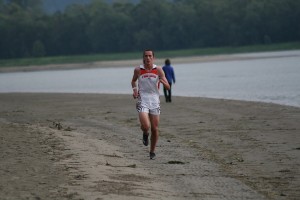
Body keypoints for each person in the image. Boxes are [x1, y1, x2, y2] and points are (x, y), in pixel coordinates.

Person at [131, 49, 170, 160]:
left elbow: (168, 87)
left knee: (155, 128)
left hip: (154, 101)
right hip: (142, 99)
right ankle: (145, 133)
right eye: (146, 56)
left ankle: (152, 151)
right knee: (146, 126)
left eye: (150, 56)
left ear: (153, 57)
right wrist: (134, 90)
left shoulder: (158, 70)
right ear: (143, 57)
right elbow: (133, 81)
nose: (148, 58)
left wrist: (164, 83)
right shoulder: (138, 70)